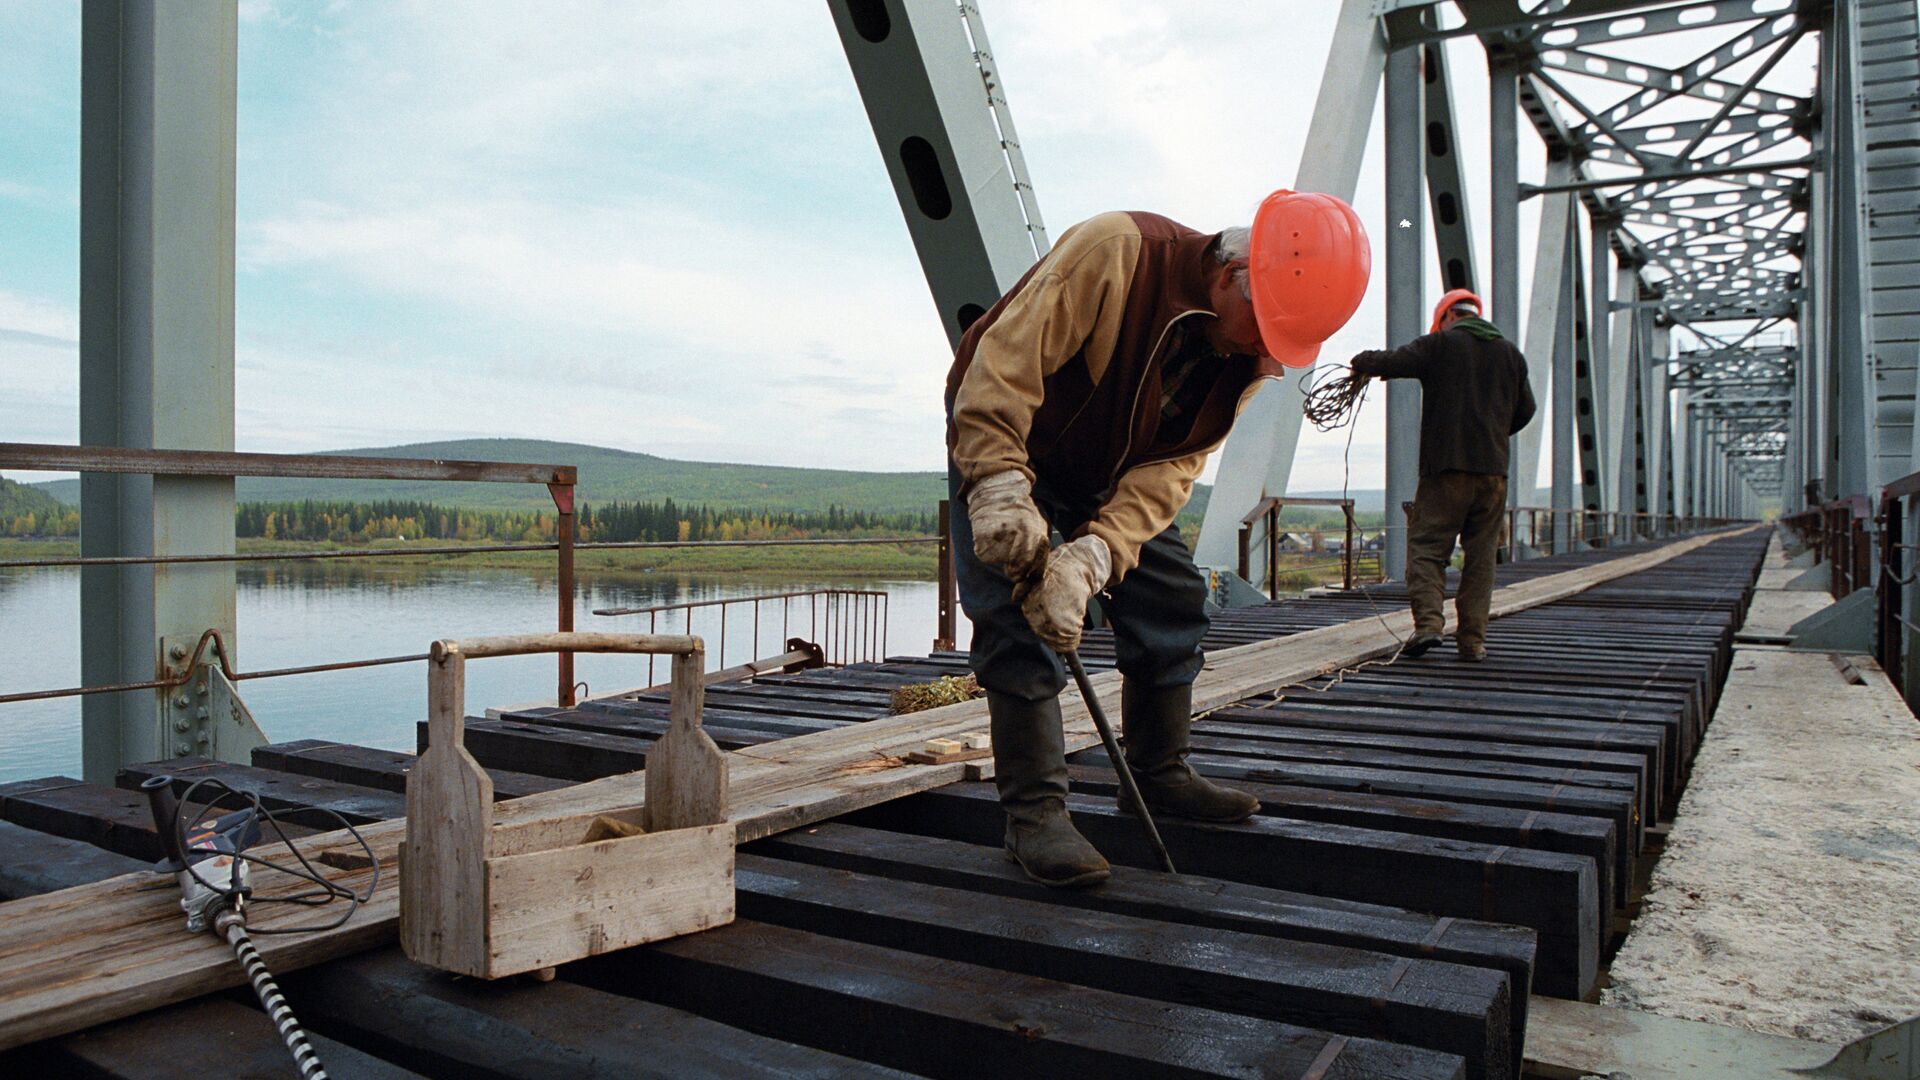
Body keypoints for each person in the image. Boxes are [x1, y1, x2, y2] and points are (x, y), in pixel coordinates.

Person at [947, 193, 1369, 887]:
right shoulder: (1117, 254)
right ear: (1236, 274)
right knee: (1014, 622)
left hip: (1108, 475)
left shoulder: (1250, 358)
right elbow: (1000, 367)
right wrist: (996, 483)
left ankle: (1157, 772)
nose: (1266, 348)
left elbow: (1172, 469)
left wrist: (1096, 554)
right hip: (1010, 446)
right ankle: (1035, 816)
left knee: (1172, 594)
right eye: (1262, 326)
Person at [1350, 289, 1536, 663]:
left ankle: (1429, 626)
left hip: (1445, 470)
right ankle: (1472, 643)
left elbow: (1394, 360)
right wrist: (1494, 433)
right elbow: (1526, 410)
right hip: (1493, 474)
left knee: (1427, 549)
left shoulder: (1441, 345)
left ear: (1449, 316)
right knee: (1481, 559)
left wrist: (1360, 360)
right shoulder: (1511, 354)